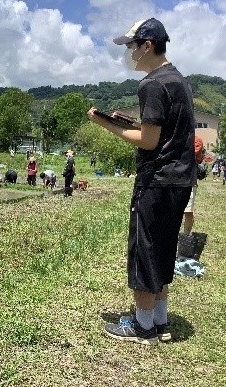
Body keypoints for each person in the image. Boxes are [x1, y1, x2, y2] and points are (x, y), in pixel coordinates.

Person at [87, 17, 196, 345]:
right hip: (179, 180)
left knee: (144, 248)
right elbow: (163, 133)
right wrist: (133, 123)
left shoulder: (151, 84)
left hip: (156, 180)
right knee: (163, 248)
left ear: (147, 45)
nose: (129, 53)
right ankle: (160, 321)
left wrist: (106, 124)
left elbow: (149, 142)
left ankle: (142, 325)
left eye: (131, 46)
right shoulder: (178, 80)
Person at [182, 135, 204, 234]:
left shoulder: (196, 140)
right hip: (173, 178)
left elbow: (191, 154)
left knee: (188, 210)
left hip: (189, 179)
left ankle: (186, 235)